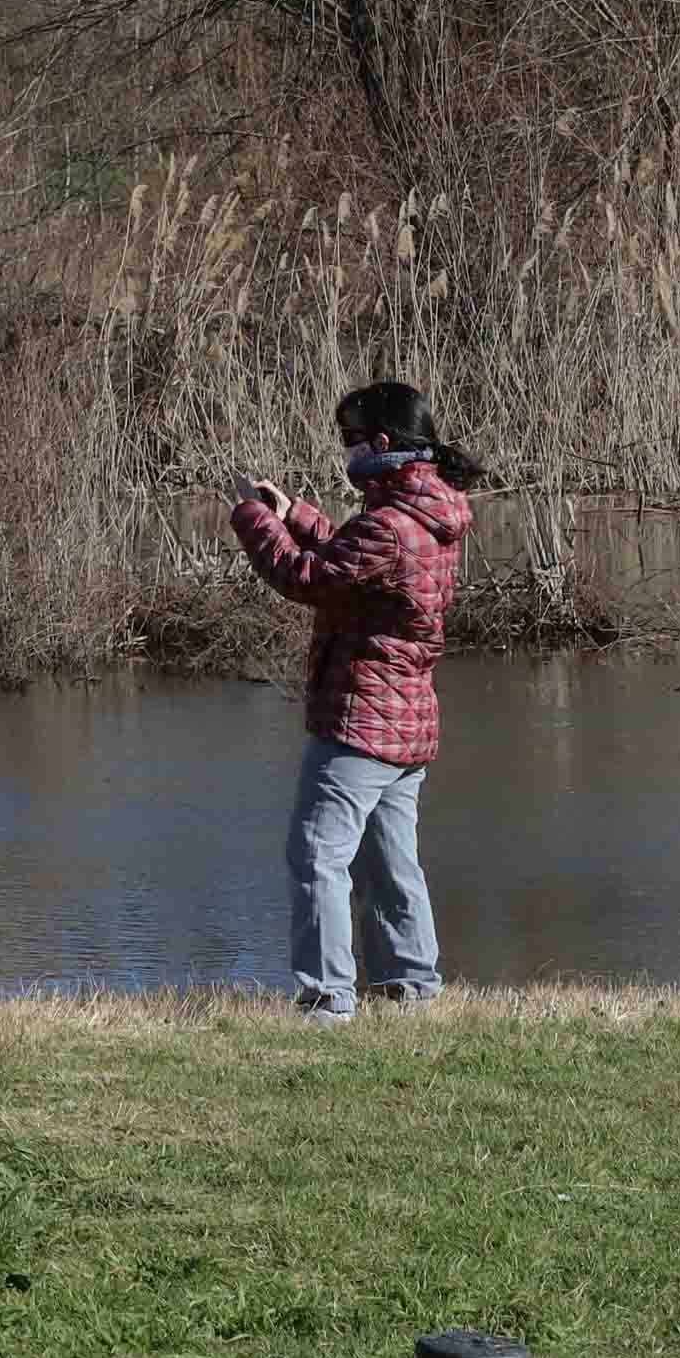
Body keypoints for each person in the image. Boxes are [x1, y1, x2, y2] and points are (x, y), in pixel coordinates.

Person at [226, 380, 484, 1023]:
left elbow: (307, 578)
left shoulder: (393, 526)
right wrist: (296, 515)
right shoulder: (427, 513)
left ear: (384, 444)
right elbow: (354, 556)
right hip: (404, 723)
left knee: (317, 857)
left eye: (349, 440)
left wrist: (253, 519)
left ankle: (327, 1001)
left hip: (361, 721)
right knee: (392, 862)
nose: (345, 452)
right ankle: (411, 988)